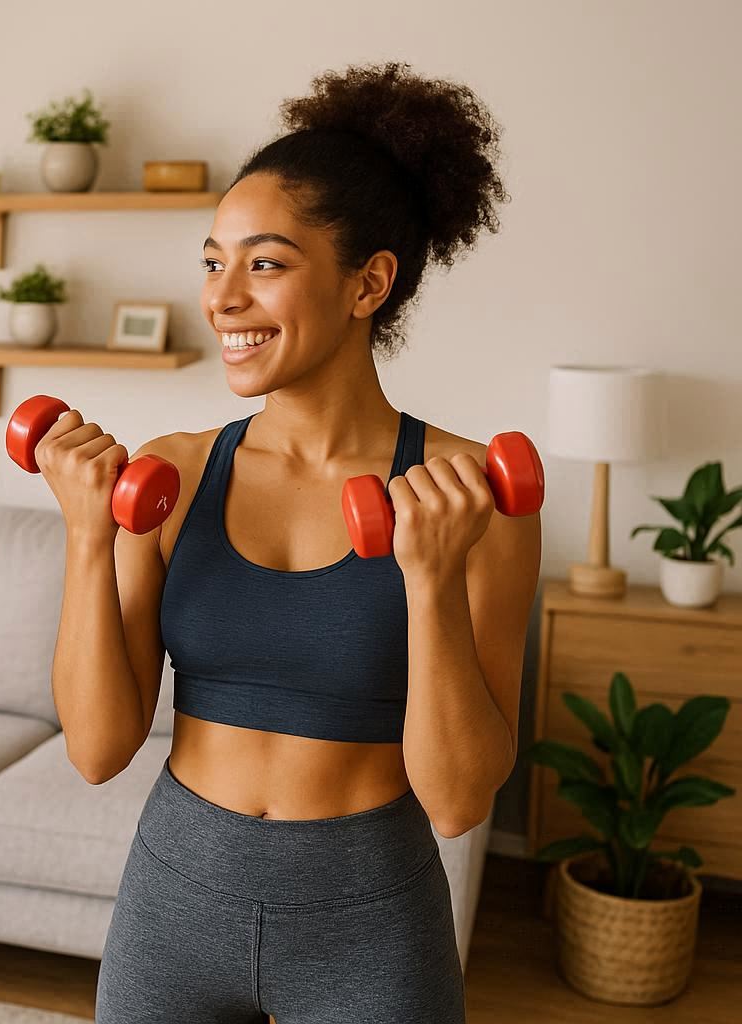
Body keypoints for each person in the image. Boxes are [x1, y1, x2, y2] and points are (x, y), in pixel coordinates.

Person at [33, 63, 540, 1023]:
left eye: (264, 263)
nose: (223, 298)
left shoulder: (472, 498)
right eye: (213, 262)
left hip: (370, 914)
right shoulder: (171, 476)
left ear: (369, 283)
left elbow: (460, 799)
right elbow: (98, 749)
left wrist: (427, 582)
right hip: (177, 891)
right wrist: (87, 534)